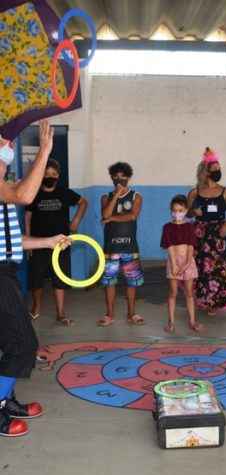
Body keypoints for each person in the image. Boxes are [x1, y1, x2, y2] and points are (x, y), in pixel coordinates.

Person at [0, 121, 71, 437]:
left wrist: (46, 241)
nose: (9, 148)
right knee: (23, 345)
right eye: (4, 145)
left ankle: (6, 401)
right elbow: (26, 195)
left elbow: (10, 239)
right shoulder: (5, 188)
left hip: (7, 270)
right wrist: (44, 150)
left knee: (9, 343)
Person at [25, 158, 87, 325]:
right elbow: (28, 217)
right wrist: (28, 241)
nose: (49, 176)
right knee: (36, 278)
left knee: (60, 279)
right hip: (39, 243)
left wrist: (76, 221)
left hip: (61, 244)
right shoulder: (34, 193)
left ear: (58, 176)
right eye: (46, 174)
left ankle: (61, 313)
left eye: (53, 174)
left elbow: (83, 202)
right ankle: (36, 308)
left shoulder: (64, 193)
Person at [187, 148, 226, 316]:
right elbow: (187, 213)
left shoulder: (225, 192)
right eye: (214, 169)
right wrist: (194, 213)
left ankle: (216, 301)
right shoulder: (195, 192)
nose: (217, 171)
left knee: (217, 268)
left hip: (218, 234)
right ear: (205, 171)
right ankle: (201, 300)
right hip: (200, 233)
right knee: (200, 267)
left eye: (218, 168)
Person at [99, 162, 144, 327]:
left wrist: (112, 218)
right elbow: (105, 214)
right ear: (111, 177)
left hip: (130, 249)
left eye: (123, 176)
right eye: (116, 176)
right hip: (111, 249)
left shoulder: (136, 197)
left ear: (128, 177)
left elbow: (132, 216)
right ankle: (109, 314)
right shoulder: (106, 197)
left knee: (131, 282)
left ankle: (131, 313)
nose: (119, 179)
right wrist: (116, 197)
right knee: (109, 282)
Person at [160, 195, 201, 333]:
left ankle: (192, 321)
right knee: (173, 292)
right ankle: (171, 322)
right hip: (173, 263)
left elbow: (191, 247)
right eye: (174, 210)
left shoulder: (189, 227)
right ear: (171, 210)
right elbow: (169, 246)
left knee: (189, 293)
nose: (177, 213)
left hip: (187, 262)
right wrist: (175, 264)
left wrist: (186, 264)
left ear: (186, 210)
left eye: (180, 210)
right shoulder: (167, 227)